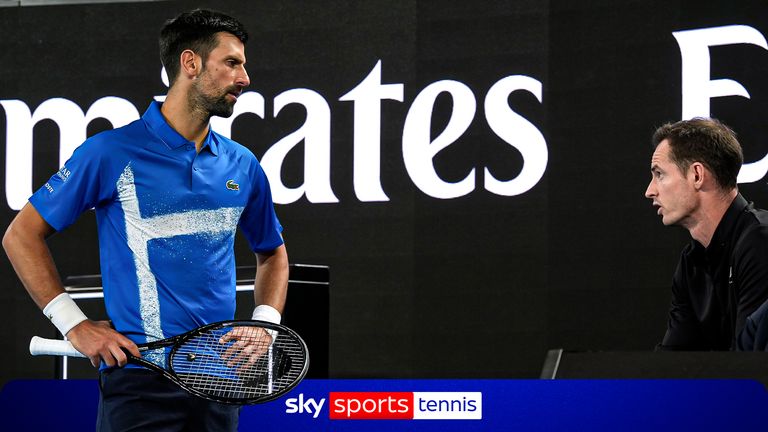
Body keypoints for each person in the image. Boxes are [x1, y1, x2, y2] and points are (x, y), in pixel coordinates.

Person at [2, 9, 288, 431]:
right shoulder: (110, 152)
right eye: (232, 63)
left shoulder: (242, 165)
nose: (245, 78)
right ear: (190, 63)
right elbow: (20, 235)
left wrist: (263, 324)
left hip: (218, 384)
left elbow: (273, 255)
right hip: (139, 384)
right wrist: (73, 324)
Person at [645, 117, 768, 351]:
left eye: (659, 174)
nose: (650, 191)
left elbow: (751, 366)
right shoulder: (690, 262)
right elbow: (673, 363)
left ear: (697, 175)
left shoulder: (761, 242)